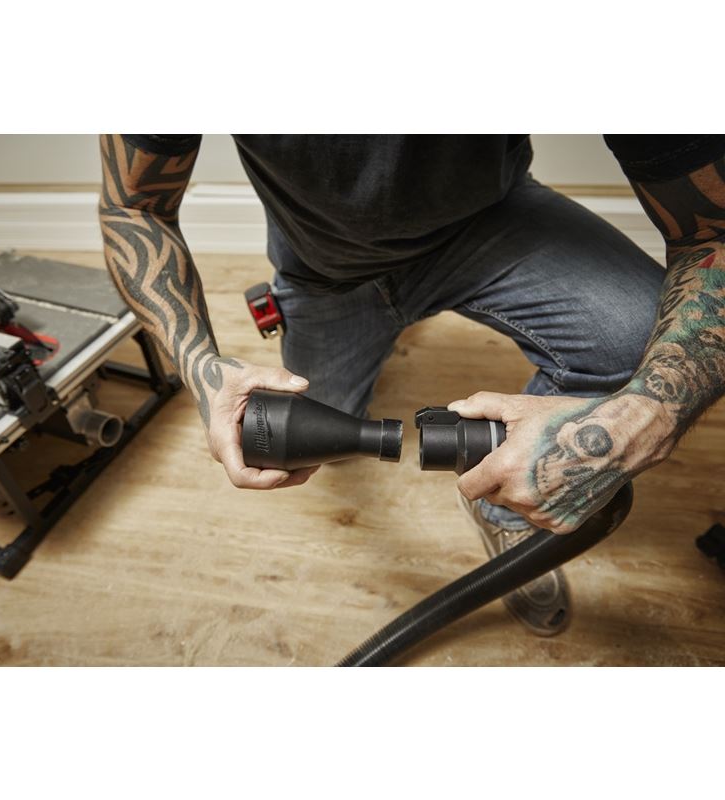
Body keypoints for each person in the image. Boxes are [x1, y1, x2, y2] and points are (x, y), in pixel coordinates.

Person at [98, 134, 725, 636]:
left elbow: (713, 234)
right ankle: (358, 327)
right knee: (307, 434)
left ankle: (499, 504)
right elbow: (133, 206)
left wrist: (647, 415)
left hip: (492, 225)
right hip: (326, 269)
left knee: (643, 345)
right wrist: (202, 369)